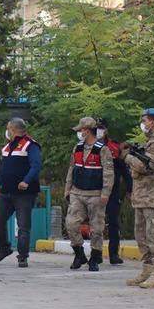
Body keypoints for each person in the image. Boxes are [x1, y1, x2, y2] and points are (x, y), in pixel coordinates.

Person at [121, 108, 154, 287]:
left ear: (152, 121)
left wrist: (127, 158)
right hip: (142, 195)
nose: (142, 123)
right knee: (141, 234)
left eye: (144, 120)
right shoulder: (149, 141)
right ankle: (147, 269)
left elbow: (147, 166)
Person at [64, 117, 114, 272]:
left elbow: (108, 173)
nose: (79, 133)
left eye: (81, 130)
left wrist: (106, 192)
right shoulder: (78, 147)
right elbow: (71, 169)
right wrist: (67, 188)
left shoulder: (102, 149)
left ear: (87, 130)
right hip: (77, 192)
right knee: (71, 223)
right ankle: (79, 253)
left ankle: (95, 256)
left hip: (95, 194)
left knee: (96, 228)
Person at [0, 117, 42, 268]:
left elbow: (36, 165)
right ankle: (4, 248)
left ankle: (22, 256)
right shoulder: (7, 147)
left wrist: (26, 181)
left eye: (8, 128)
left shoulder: (30, 145)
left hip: (24, 194)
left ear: (13, 130)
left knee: (23, 226)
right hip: (6, 193)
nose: (7, 131)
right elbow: (4, 168)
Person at [95, 118, 132, 265]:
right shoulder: (89, 146)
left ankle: (113, 254)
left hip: (112, 191)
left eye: (101, 127)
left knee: (113, 223)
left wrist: (130, 188)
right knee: (96, 223)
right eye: (96, 127)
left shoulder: (113, 146)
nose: (99, 130)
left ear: (106, 129)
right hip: (94, 190)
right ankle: (96, 253)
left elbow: (124, 171)